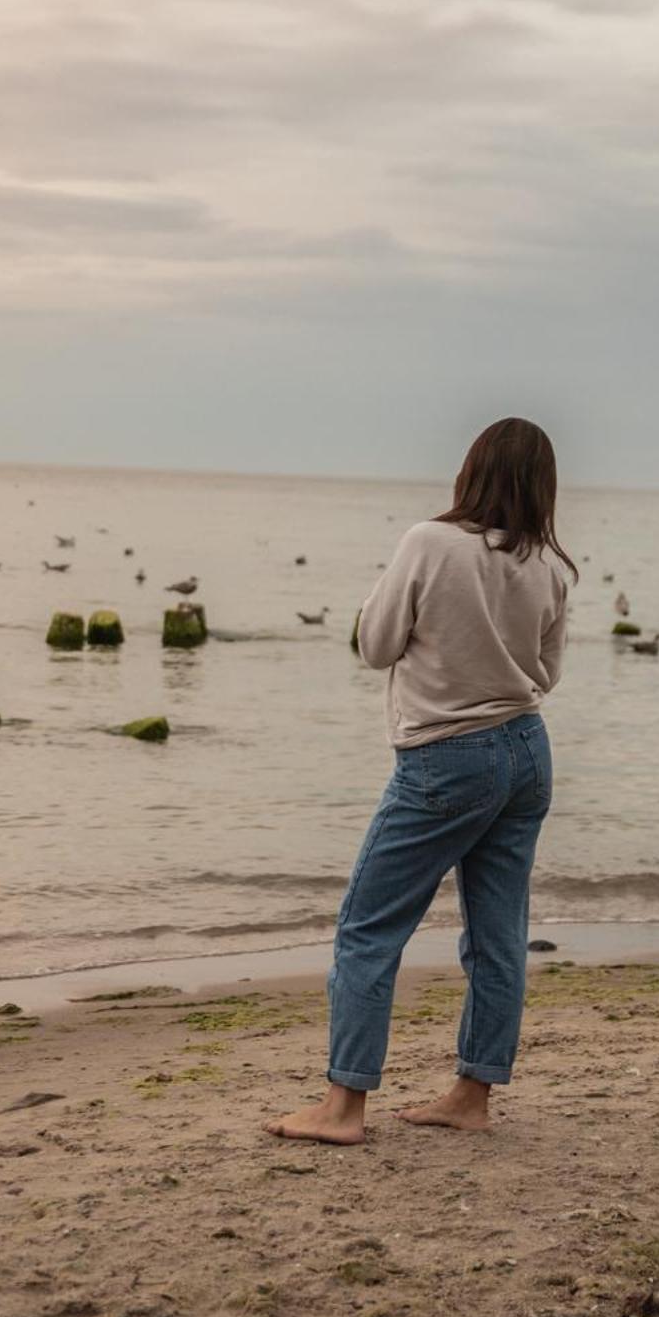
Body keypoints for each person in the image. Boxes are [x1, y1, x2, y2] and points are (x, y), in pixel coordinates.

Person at [265, 417, 574, 1145]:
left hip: (445, 755)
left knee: (368, 928)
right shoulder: (554, 568)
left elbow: (374, 646)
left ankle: (343, 1107)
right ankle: (473, 1094)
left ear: (470, 471)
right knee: (499, 936)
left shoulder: (429, 542)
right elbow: (546, 673)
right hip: (527, 751)